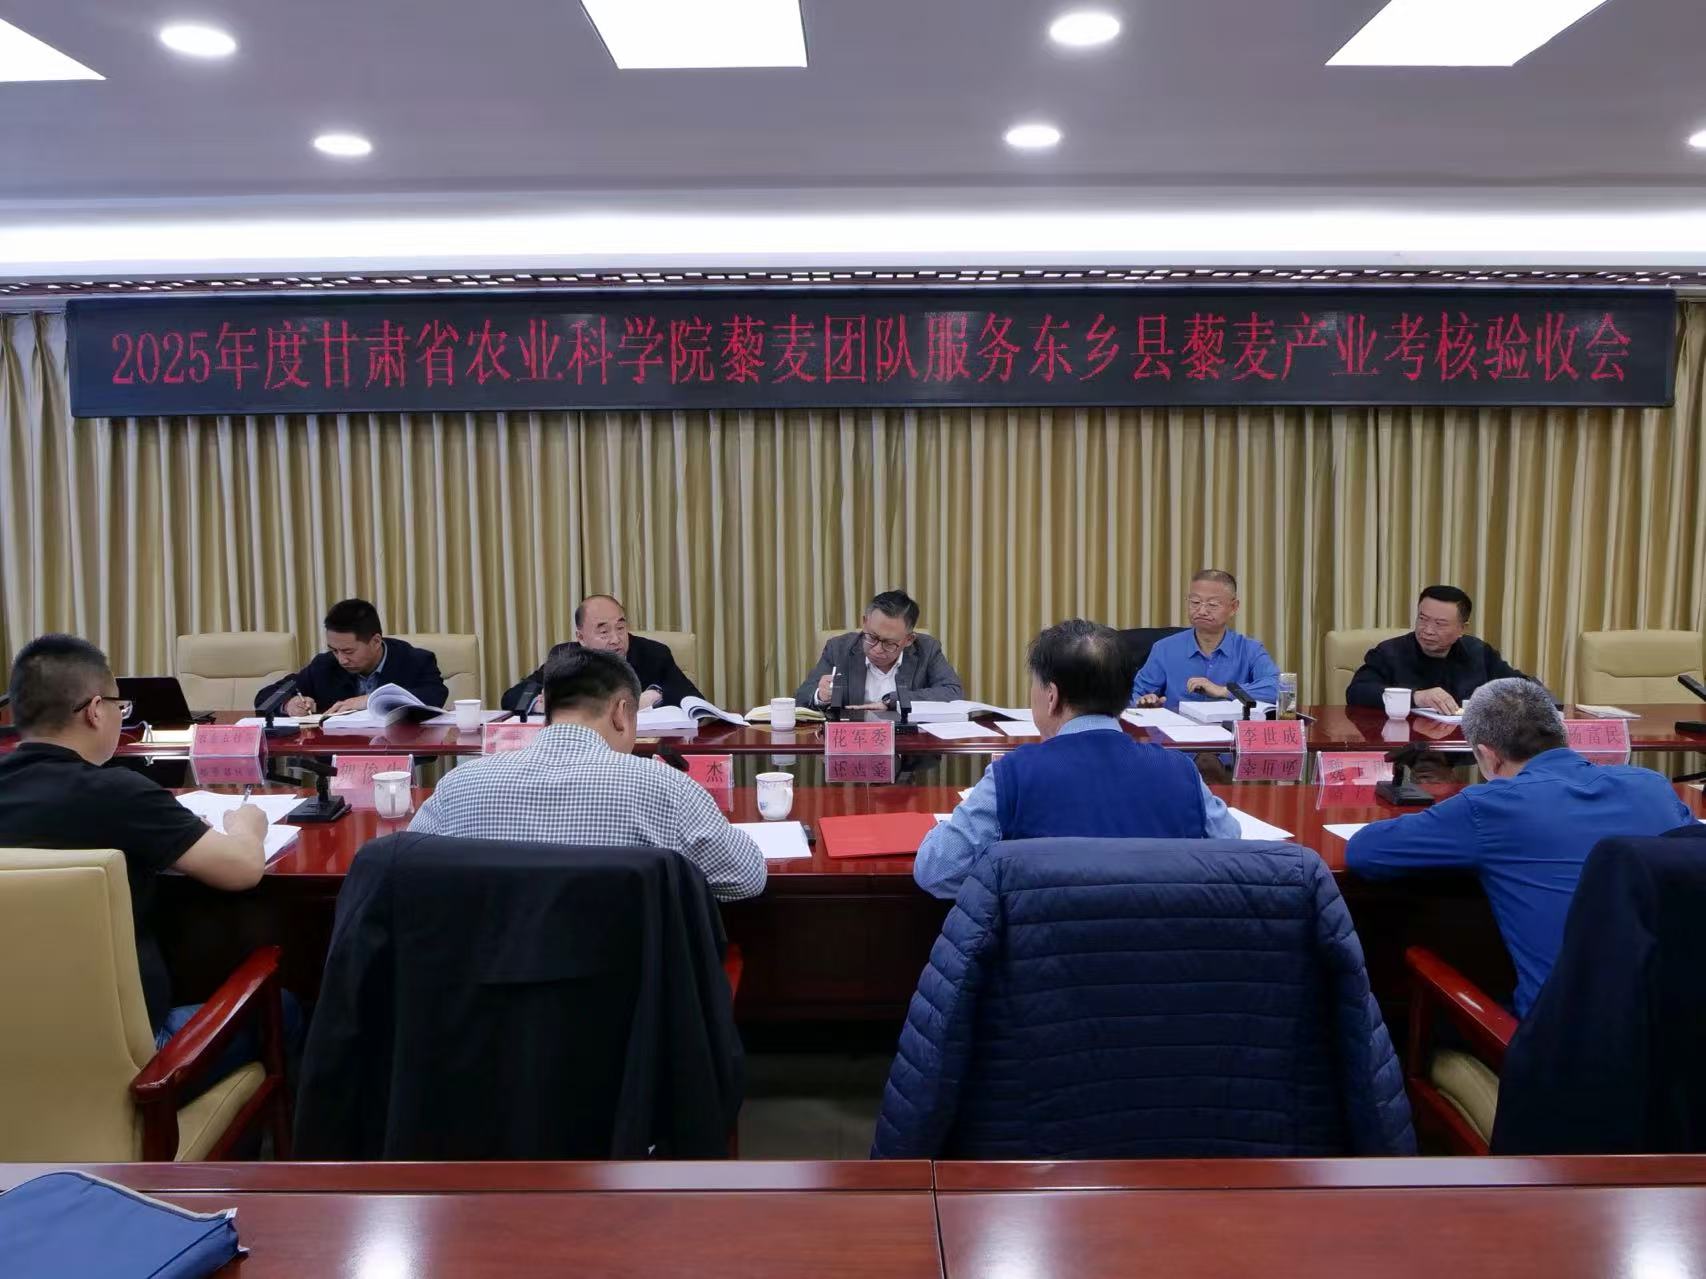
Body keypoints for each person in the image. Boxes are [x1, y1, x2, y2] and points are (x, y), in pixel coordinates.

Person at [1346, 678, 1694, 1017]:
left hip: (1570, 1042)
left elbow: (1365, 852)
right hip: (1686, 1023)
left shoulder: (1489, 807)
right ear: (1563, 734)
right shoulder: (1652, 786)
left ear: (1487, 756)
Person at [0, 635, 270, 1040]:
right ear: (95, 711)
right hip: (131, 1055)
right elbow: (243, 869)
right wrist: (246, 824)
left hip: (12, 1048)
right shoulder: (117, 793)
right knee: (285, 1009)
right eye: (119, 706)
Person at [914, 619, 1242, 899]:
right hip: (1159, 950)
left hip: (1041, 953)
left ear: (1051, 696)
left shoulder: (1012, 775)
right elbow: (1231, 848)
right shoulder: (1180, 771)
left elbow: (937, 870)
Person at [413, 647, 765, 901]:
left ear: (548, 710)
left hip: (490, 980)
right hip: (627, 982)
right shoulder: (664, 787)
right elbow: (746, 877)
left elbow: (407, 870)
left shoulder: (460, 785)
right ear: (621, 713)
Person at [1346, 586, 1536, 714]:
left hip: (1466, 750)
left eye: (1440, 624)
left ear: (1462, 628)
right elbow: (1357, 692)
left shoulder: (1478, 652)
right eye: (1422, 619)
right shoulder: (1389, 652)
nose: (1427, 630)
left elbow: (1523, 687)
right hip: (1406, 749)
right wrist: (1416, 697)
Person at [502, 594, 701, 714]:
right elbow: (514, 696)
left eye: (620, 628)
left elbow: (694, 700)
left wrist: (656, 695)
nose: (615, 639)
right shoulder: (565, 656)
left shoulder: (653, 654)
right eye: (604, 631)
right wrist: (542, 704)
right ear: (581, 637)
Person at [256, 598, 448, 716]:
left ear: (375, 641)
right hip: (338, 757)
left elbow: (435, 696)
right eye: (334, 650)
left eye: (348, 651)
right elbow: (266, 697)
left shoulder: (414, 660)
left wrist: (370, 700)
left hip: (399, 754)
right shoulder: (325, 665)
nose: (341, 660)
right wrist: (288, 704)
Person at [1130, 570, 1280, 709]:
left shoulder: (1249, 649)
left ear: (1233, 607)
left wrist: (1224, 691)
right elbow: (1135, 695)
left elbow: (1277, 688)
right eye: (1195, 602)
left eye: (1212, 604)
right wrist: (1145, 702)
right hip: (1177, 728)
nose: (1201, 611)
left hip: (1229, 728)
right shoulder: (1164, 649)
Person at [795, 590, 965, 710]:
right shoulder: (838, 648)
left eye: (889, 643)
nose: (877, 649)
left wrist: (892, 701)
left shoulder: (927, 649)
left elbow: (952, 692)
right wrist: (820, 696)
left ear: (909, 639)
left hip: (908, 745)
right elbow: (801, 698)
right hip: (852, 741)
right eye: (872, 637)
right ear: (865, 622)